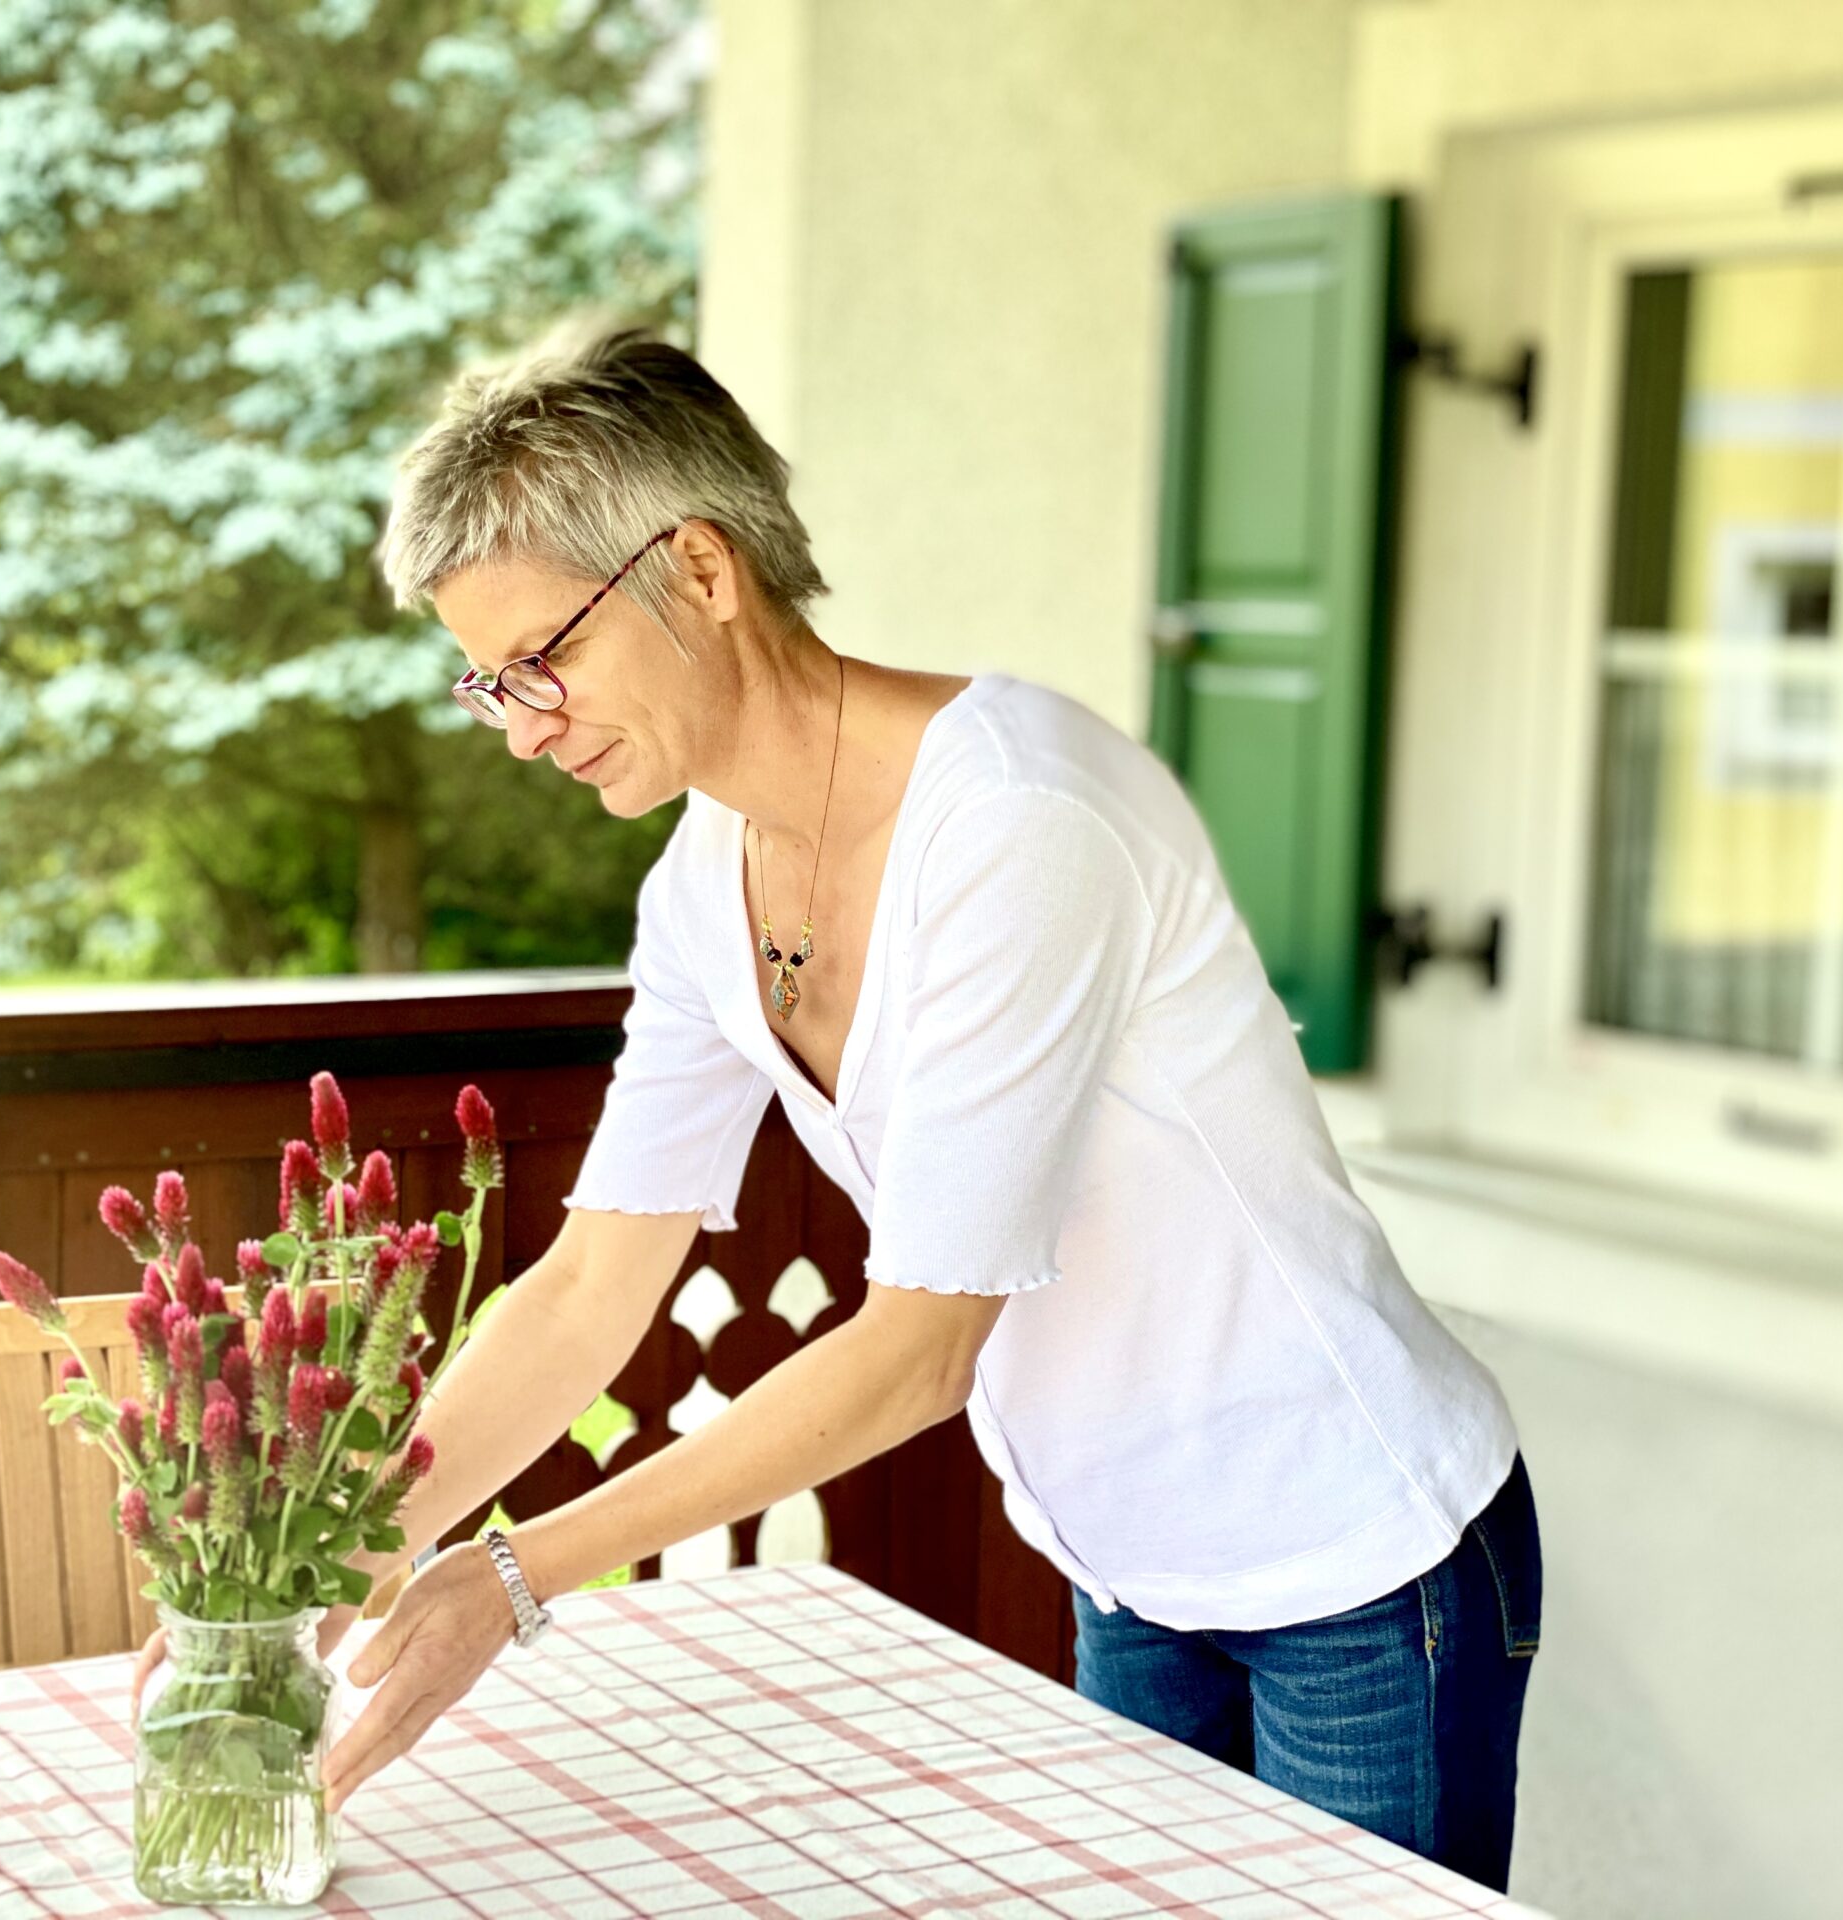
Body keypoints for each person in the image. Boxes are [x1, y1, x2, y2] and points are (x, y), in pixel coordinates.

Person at [180, 319, 1542, 1890]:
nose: (524, 726)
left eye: (543, 660)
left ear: (696, 571)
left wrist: (515, 1575)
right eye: (489, 685)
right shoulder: (703, 882)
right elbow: (589, 1284)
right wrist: (329, 1547)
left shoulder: (1017, 819)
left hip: (1361, 1562)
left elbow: (920, 1346)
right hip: (1126, 1566)